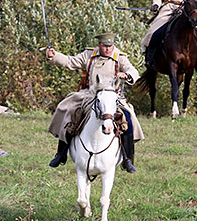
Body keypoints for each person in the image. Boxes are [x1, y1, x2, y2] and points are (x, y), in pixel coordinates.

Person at [46, 33, 145, 173]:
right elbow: (70, 61)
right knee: (70, 112)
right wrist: (54, 56)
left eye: (110, 46)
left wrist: (127, 75)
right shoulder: (88, 55)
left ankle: (127, 159)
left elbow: (133, 70)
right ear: (99, 45)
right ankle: (61, 154)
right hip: (90, 94)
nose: (108, 49)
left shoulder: (120, 57)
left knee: (128, 117)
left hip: (112, 96)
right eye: (105, 46)